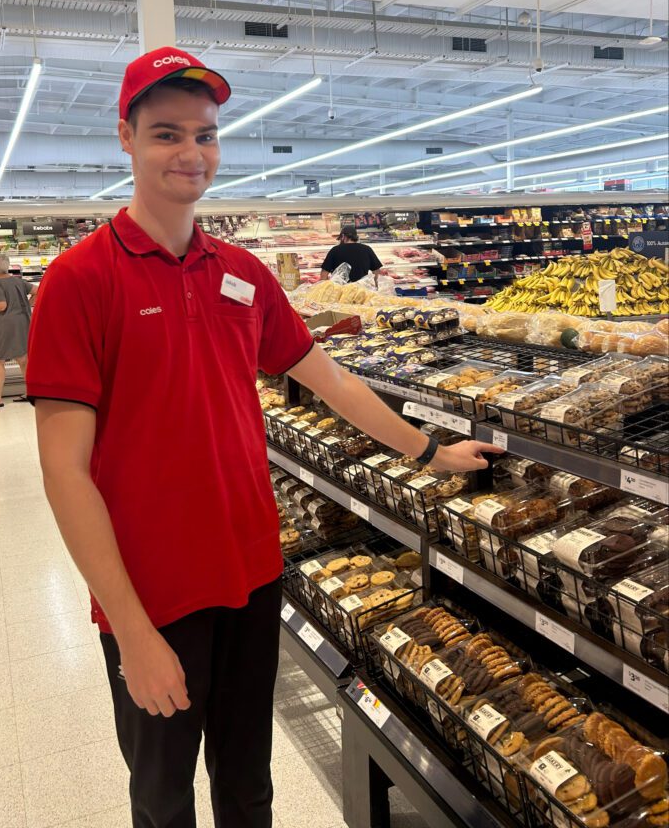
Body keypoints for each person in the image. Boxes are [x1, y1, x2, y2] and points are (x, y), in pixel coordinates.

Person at [26, 46, 501, 828]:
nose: (191, 153)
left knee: (249, 788)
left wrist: (430, 450)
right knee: (162, 798)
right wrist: (133, 632)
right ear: (126, 138)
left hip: (250, 571)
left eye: (206, 135)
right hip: (154, 592)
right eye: (166, 133)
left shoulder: (242, 273)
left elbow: (335, 383)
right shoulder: (81, 280)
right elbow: (64, 473)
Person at [0, 254, 37, 409]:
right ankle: (31, 392)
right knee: (23, 359)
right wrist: (27, 304)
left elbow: (1, 306)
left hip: (5, 325)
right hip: (24, 322)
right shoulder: (19, 281)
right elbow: (37, 290)